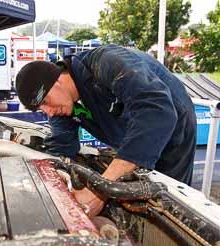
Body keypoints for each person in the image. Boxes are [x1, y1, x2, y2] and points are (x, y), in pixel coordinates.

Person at [15, 44, 196, 217]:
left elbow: (156, 111)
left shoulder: (106, 62)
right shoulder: (62, 109)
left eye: (45, 102)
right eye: (41, 108)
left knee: (169, 204)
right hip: (133, 136)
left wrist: (100, 189)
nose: (48, 112)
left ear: (56, 81)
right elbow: (61, 149)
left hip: (174, 130)